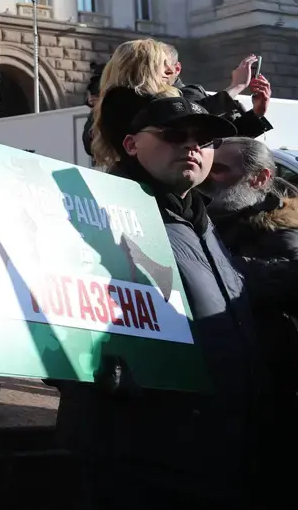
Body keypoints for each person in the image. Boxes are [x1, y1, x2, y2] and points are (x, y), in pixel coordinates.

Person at [64, 87, 273, 507]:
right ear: (131, 144)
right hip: (144, 463)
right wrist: (94, 370)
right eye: (175, 134)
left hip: (215, 454)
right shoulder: (95, 212)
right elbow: (53, 319)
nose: (192, 146)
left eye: (205, 139)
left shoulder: (198, 217)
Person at [201, 137, 298, 438]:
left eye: (219, 169)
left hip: (267, 393)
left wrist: (211, 267)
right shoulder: (204, 221)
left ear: (259, 178)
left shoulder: (282, 230)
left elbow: (287, 278)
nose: (207, 177)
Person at [88, 40, 272, 168]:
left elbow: (211, 140)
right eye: (162, 64)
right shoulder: (136, 105)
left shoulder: (107, 106)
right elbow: (201, 127)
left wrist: (256, 114)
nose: (170, 71)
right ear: (141, 68)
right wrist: (236, 87)